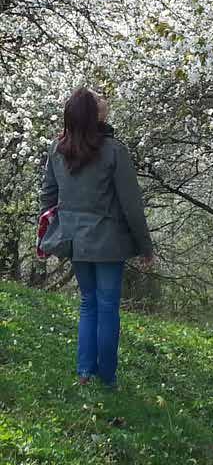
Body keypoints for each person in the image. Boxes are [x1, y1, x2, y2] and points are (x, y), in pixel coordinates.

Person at [41, 88, 154, 388]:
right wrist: (145, 246)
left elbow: (48, 197)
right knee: (106, 307)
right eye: (100, 101)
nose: (105, 101)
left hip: (75, 241)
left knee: (89, 304)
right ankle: (107, 377)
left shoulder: (57, 149)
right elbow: (131, 204)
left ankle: (84, 373)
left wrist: (47, 233)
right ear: (94, 114)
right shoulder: (114, 151)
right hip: (107, 242)